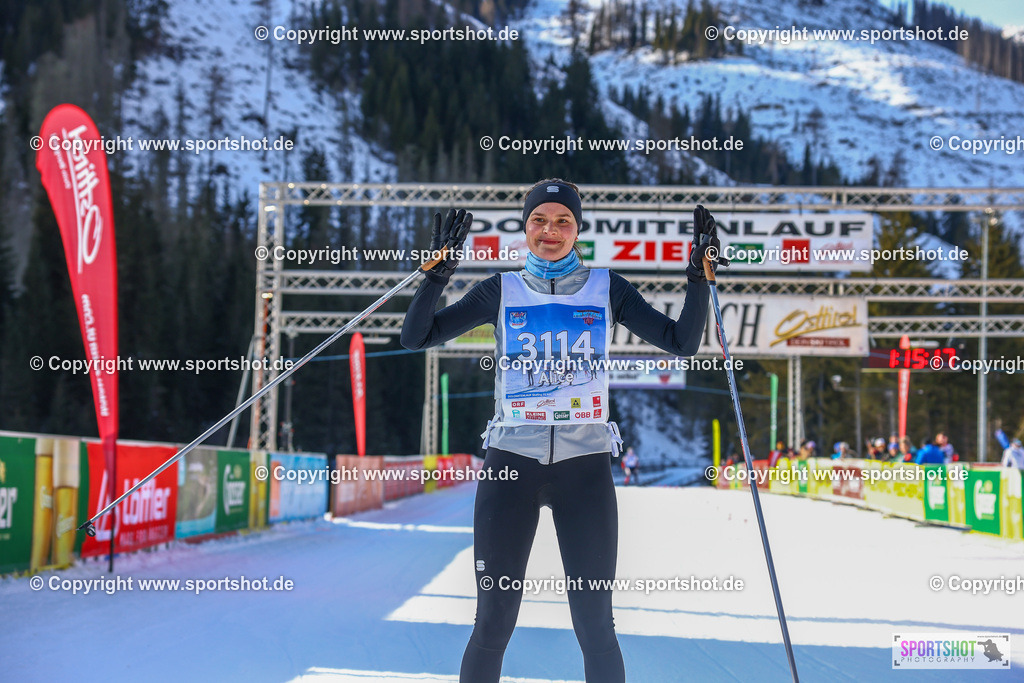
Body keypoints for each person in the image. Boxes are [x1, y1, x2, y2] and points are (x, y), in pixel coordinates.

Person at [400, 178, 718, 683]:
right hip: (510, 468)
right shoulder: (500, 289)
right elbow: (417, 337)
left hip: (584, 473)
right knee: (493, 621)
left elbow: (681, 343)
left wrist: (698, 283)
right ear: (525, 228)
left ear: (578, 229)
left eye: (562, 220)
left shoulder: (606, 287)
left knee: (595, 625)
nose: (550, 231)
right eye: (539, 220)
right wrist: (435, 280)